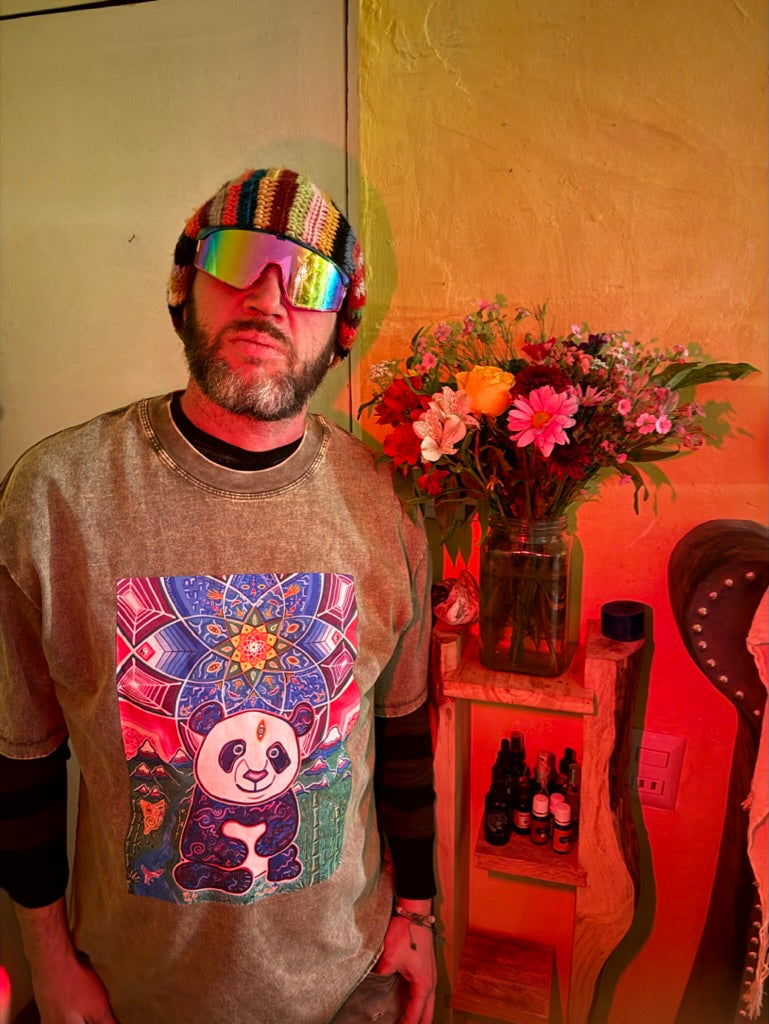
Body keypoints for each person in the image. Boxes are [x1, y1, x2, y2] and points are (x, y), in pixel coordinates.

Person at [0, 168, 437, 1024]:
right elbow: (21, 760)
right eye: (238, 258)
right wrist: (46, 960)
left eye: (309, 280)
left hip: (348, 984)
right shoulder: (53, 497)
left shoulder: (388, 503)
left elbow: (404, 729)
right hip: (131, 993)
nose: (268, 298)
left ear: (340, 330)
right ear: (185, 286)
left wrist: (417, 912)